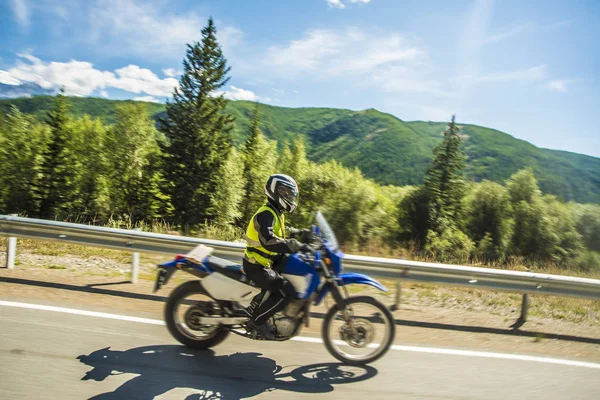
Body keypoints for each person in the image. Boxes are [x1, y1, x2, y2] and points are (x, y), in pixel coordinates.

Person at [243, 173, 314, 339]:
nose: (289, 197)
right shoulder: (265, 214)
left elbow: (281, 233)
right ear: (277, 191)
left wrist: (301, 233)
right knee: (286, 291)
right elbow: (268, 239)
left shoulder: (275, 213)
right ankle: (258, 322)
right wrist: (294, 245)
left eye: (290, 194)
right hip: (256, 265)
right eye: (287, 193)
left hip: (265, 262)